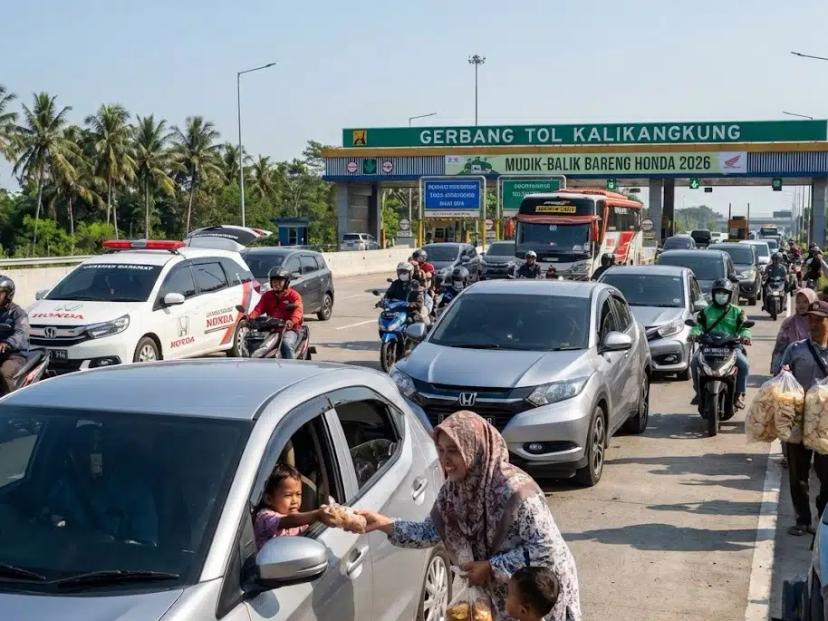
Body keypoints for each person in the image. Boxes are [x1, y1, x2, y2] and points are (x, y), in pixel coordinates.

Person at [355, 411, 581, 621]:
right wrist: (383, 523)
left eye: (453, 450)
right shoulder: (453, 491)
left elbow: (547, 549)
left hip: (538, 598)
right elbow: (429, 532)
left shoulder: (516, 492)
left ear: (475, 448)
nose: (445, 460)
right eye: (441, 450)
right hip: (505, 597)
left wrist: (492, 566)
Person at [780, 300, 828, 536]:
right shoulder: (796, 349)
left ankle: (822, 517)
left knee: (826, 474)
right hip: (798, 419)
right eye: (810, 319)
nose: (814, 324)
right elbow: (782, 379)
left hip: (825, 425)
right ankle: (802, 520)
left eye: (819, 319)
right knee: (798, 474)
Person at [689, 278, 751, 408]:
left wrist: (745, 336)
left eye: (724, 293)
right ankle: (698, 392)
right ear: (713, 294)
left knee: (744, 364)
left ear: (729, 295)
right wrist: (694, 333)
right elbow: (698, 325)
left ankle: (739, 394)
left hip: (731, 347)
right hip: (708, 346)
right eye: (718, 293)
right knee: (694, 362)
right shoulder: (706, 311)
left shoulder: (738, 311)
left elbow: (744, 327)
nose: (721, 296)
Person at [254, 463, 334, 549]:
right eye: (288, 495)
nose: (295, 501)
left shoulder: (300, 520)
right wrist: (318, 515)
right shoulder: (264, 518)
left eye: (298, 494)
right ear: (269, 499)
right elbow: (289, 520)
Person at [248, 267, 304, 359]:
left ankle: (293, 367)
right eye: (274, 281)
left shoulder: (294, 296)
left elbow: (298, 310)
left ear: (286, 282)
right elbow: (258, 309)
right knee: (257, 343)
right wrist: (250, 317)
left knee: (286, 343)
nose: (276, 284)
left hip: (290, 329)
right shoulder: (267, 296)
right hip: (272, 328)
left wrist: (291, 321)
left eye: (279, 281)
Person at [772, 289, 818, 374]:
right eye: (798, 302)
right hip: (793, 367)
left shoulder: (818, 322)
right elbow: (780, 348)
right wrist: (777, 369)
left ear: (812, 303)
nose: (801, 305)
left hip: (816, 369)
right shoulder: (789, 322)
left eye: (805, 302)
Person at [0, 276, 29, 395]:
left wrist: (7, 343)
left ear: (8, 295)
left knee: (4, 373)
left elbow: (22, 332)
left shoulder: (18, 313)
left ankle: (12, 404)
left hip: (15, 355)